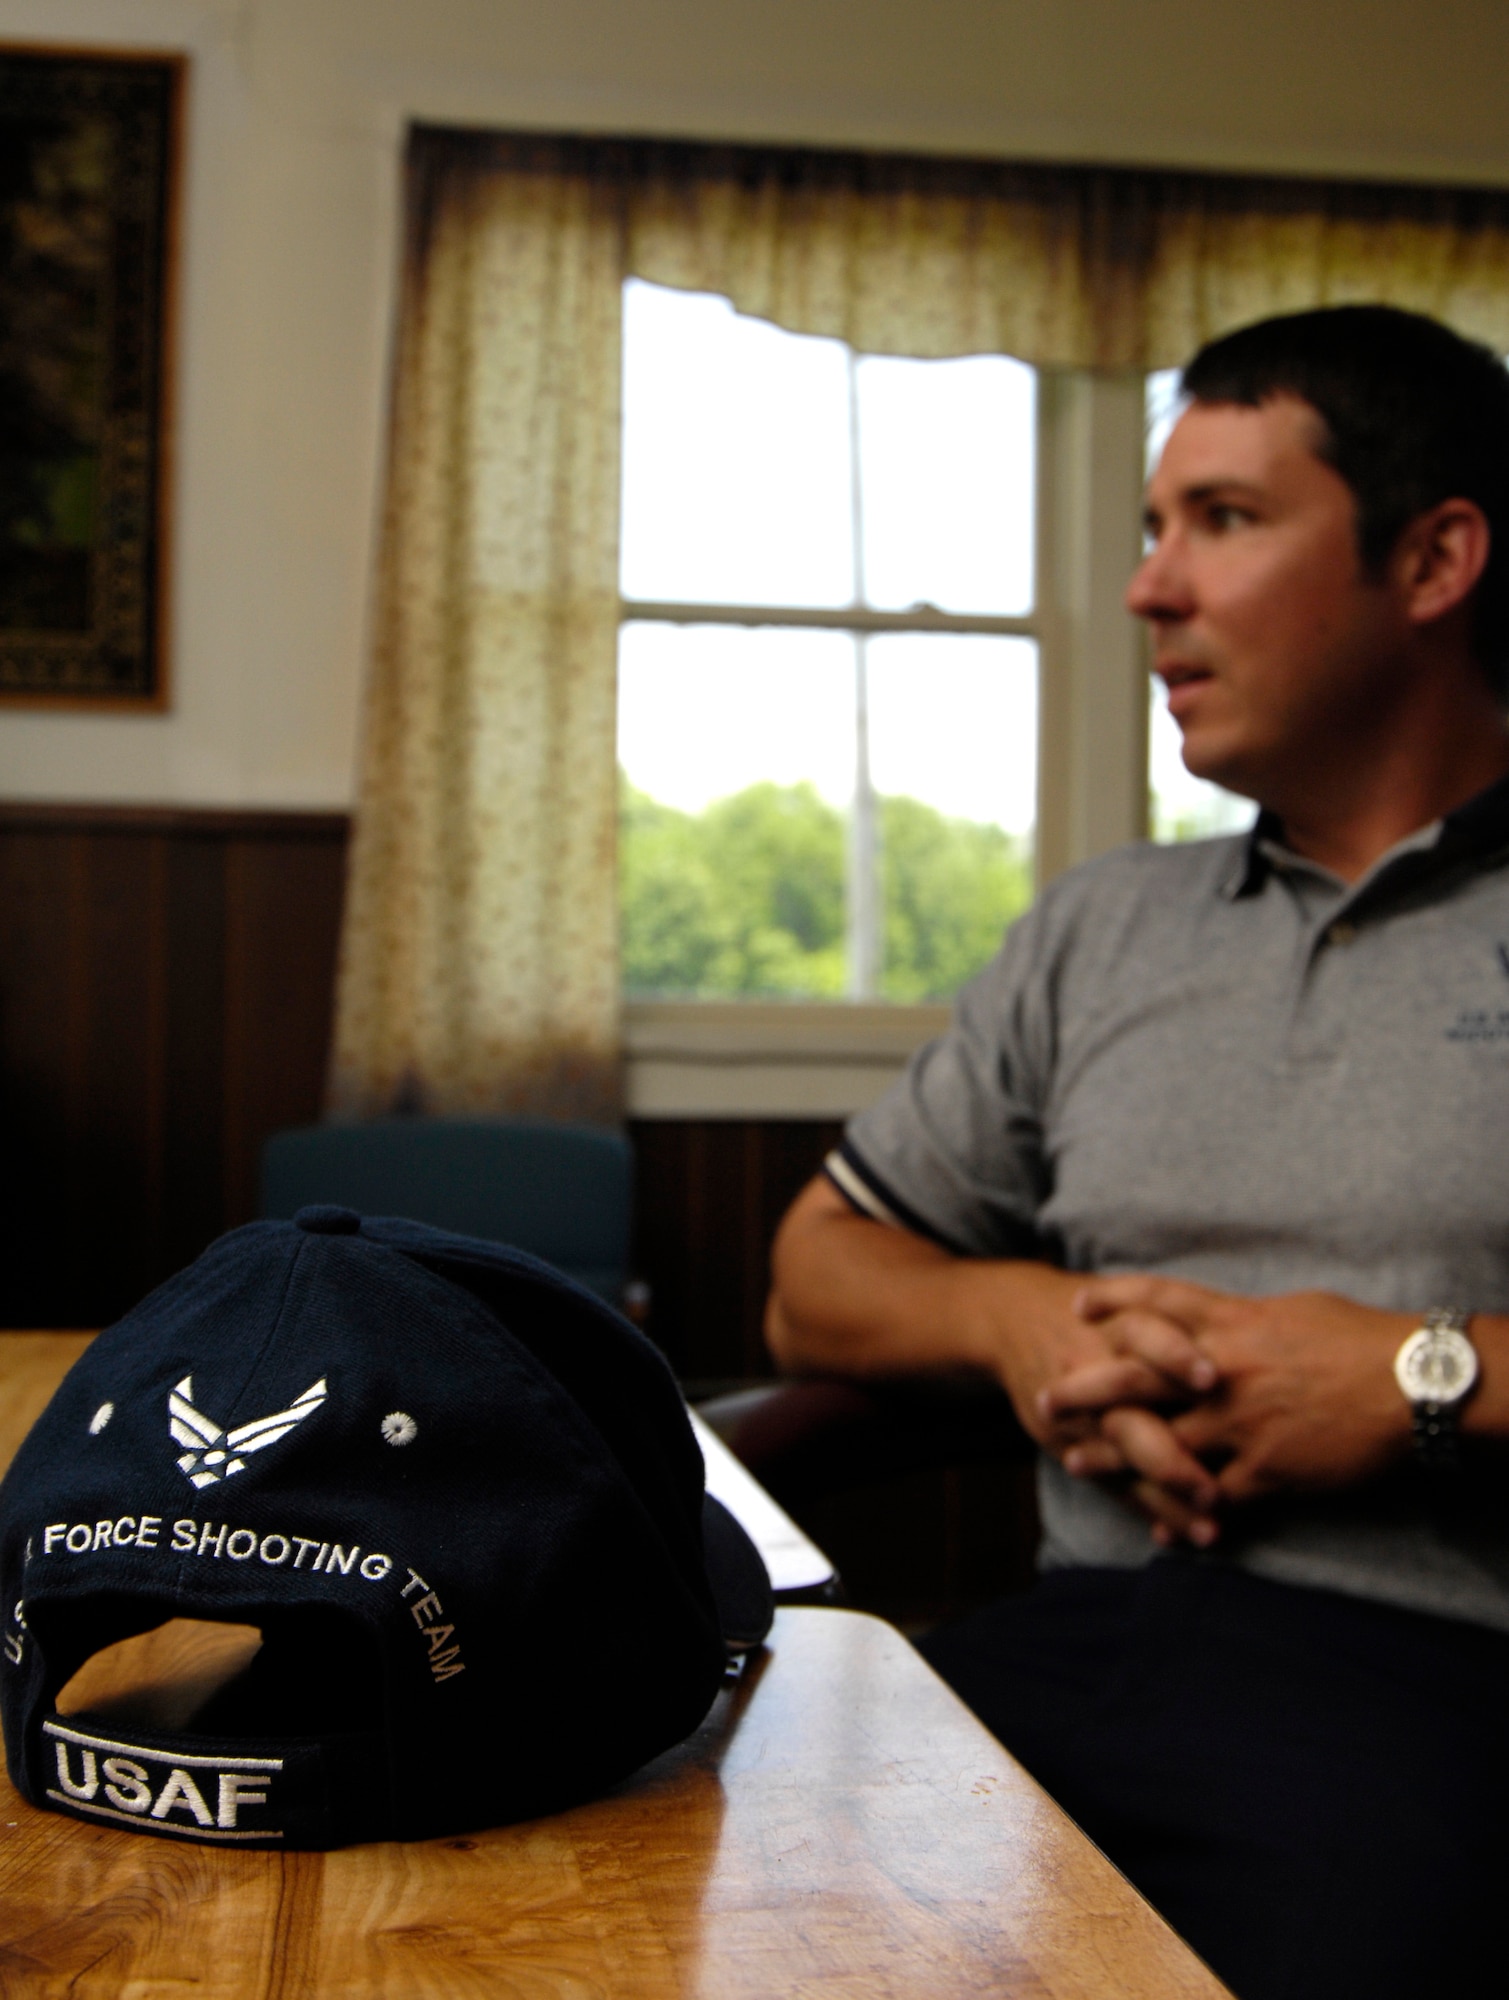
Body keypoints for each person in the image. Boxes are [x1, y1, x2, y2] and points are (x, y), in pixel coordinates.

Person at [766, 304, 1509, 2000]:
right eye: (1150, 530)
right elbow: (818, 1276)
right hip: (1055, 1653)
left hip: (1438, 1697)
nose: (1145, 587)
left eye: (1224, 521)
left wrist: (1420, 1380)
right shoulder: (1105, 927)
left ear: (1433, 558)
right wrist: (1014, 1320)